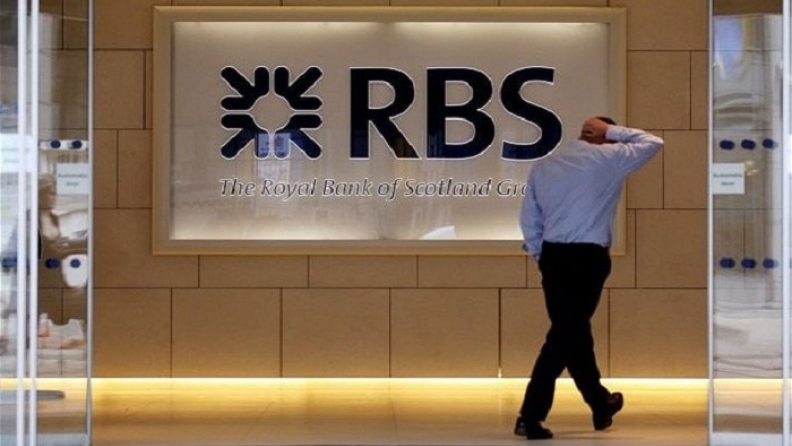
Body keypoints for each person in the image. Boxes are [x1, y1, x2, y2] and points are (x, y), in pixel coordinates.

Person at [515, 117, 663, 440]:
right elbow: (653, 143)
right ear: (604, 138)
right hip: (587, 258)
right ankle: (530, 415)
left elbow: (529, 217)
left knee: (573, 332)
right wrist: (611, 132)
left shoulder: (546, 165)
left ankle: (600, 402)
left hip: (553, 256)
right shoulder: (608, 158)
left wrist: (541, 256)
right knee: (564, 336)